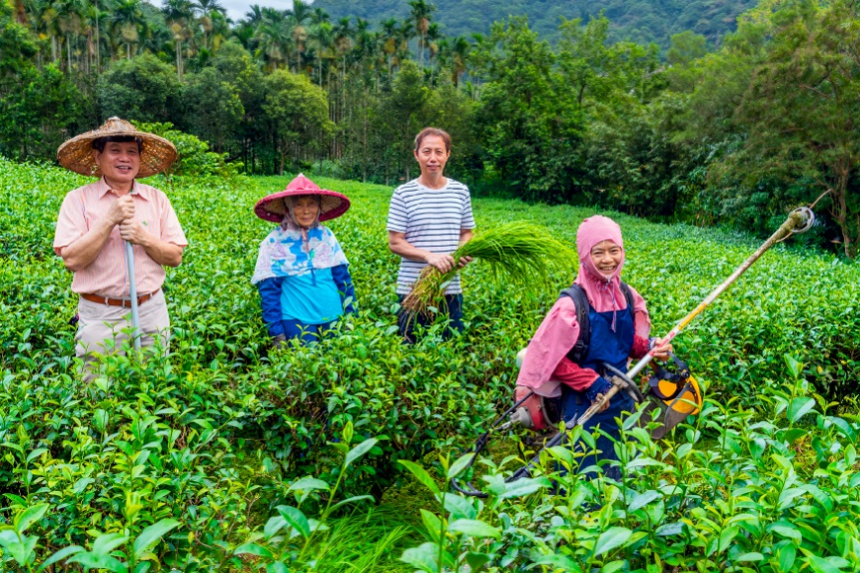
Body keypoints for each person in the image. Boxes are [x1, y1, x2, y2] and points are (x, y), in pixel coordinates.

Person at [516, 215, 672, 481]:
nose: (608, 259)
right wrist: (591, 382)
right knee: (583, 474)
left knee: (623, 469)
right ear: (585, 255)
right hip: (583, 403)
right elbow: (551, 360)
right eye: (598, 252)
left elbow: (624, 341)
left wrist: (648, 347)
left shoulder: (624, 293)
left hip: (621, 397)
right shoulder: (572, 304)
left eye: (614, 251)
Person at [53, 117, 185, 380]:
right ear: (98, 156)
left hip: (151, 311)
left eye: (131, 152)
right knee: (98, 396)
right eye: (115, 150)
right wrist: (109, 219)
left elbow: (175, 257)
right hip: (100, 315)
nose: (124, 158)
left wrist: (144, 237)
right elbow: (72, 260)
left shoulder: (157, 199)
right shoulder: (77, 200)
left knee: (152, 390)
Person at [387, 127, 476, 342]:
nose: (433, 158)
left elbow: (467, 232)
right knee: (412, 350)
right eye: (427, 152)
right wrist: (429, 256)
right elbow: (395, 242)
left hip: (450, 288)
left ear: (448, 155)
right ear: (416, 154)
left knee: (451, 348)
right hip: (412, 289)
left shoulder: (460, 191)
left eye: (439, 152)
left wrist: (464, 250)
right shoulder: (403, 194)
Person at [251, 174, 355, 346]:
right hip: (296, 320)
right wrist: (276, 332)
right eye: (298, 205)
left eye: (311, 204)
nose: (306, 211)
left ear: (319, 207)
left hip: (334, 316)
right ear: (288, 208)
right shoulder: (274, 242)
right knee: (303, 369)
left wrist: (352, 315)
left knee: (336, 369)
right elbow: (269, 291)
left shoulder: (326, 236)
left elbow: (343, 280)